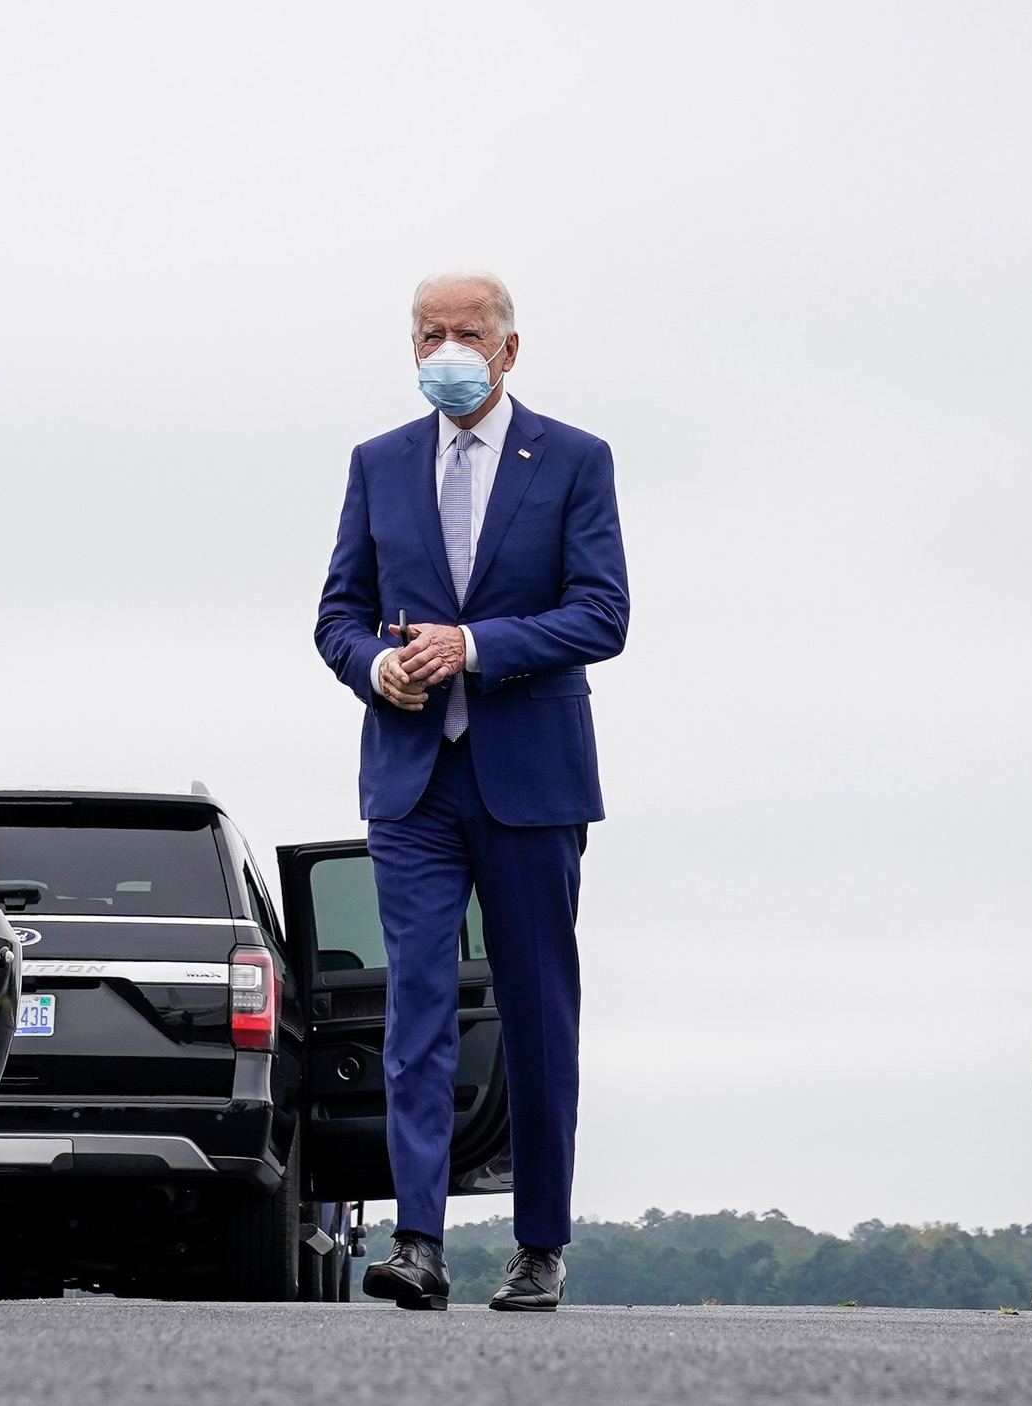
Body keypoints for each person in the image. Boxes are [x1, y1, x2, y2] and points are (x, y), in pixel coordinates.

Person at [314, 270, 629, 1311]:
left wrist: (476, 645)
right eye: (427, 332)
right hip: (412, 781)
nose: (445, 348)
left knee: (538, 1014)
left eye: (465, 332)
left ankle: (539, 1244)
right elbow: (338, 613)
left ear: (508, 348)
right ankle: (419, 1241)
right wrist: (374, 664)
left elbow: (601, 612)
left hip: (530, 778)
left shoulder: (575, 459)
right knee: (416, 1009)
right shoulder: (377, 463)